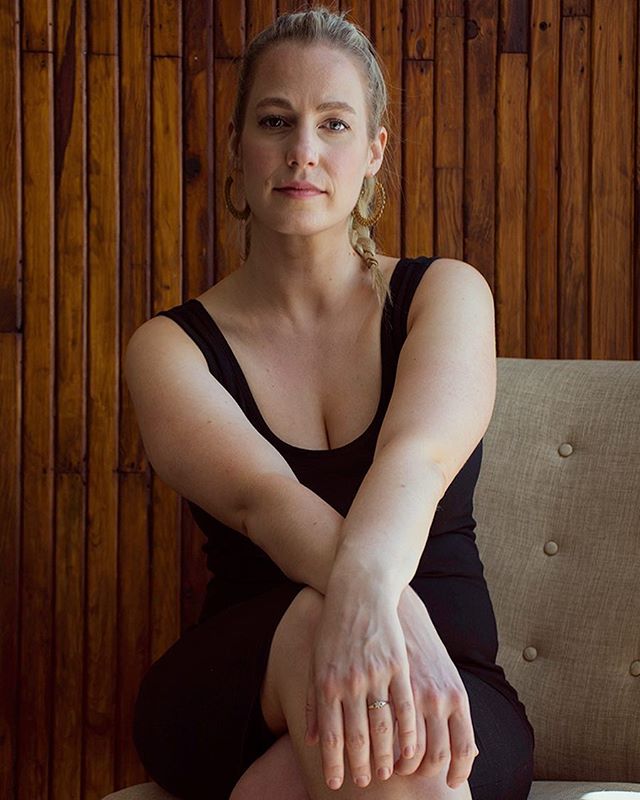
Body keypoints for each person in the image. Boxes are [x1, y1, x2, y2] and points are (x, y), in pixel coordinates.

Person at [124, 6, 535, 800]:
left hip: (448, 676)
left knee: (389, 752)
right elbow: (266, 503)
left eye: (334, 124)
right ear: (240, 143)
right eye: (276, 121)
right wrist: (389, 612)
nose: (302, 152)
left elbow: (419, 457)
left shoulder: (443, 294)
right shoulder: (169, 349)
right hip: (245, 678)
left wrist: (396, 618)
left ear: (374, 150)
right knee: (324, 636)